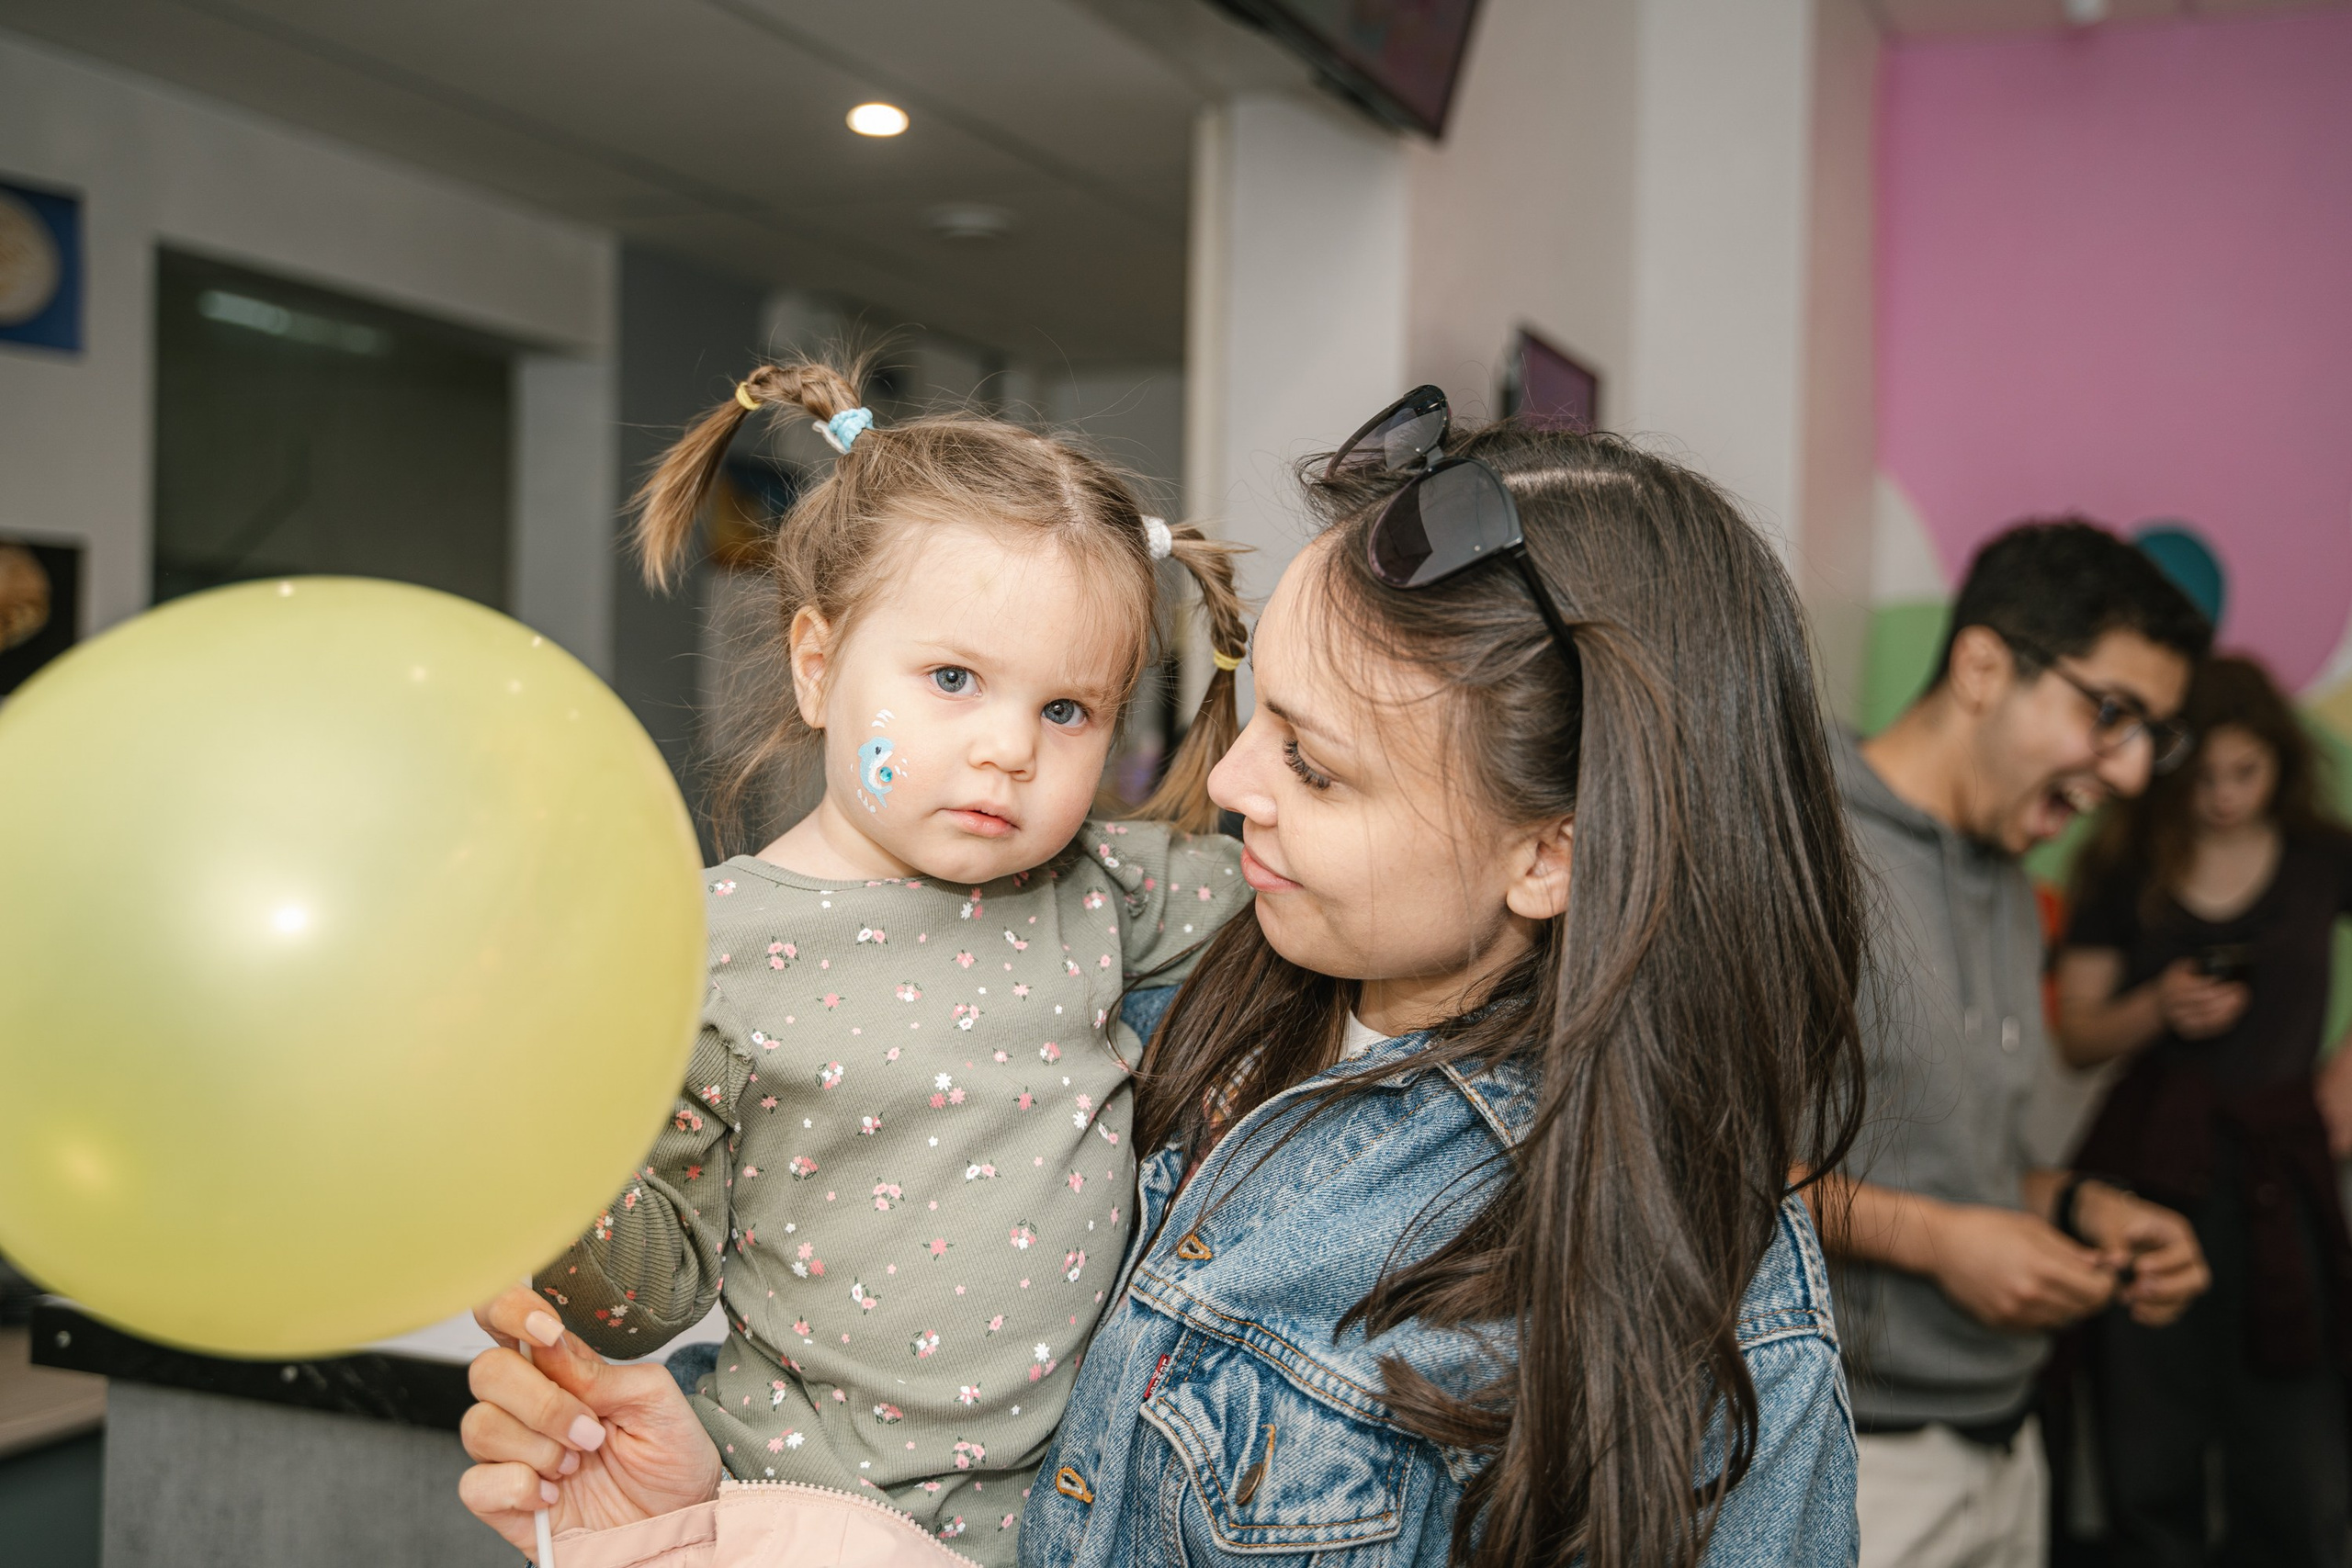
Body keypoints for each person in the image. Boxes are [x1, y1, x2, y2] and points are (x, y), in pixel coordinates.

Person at [459, 396, 1873, 1567]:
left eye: (1316, 764)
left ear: (1552, 853)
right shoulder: (1144, 1000)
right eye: (1259, 721)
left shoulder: (1707, 1300)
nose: (1232, 786)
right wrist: (711, 1496)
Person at [496, 355, 1259, 1564]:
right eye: (953, 678)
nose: (1009, 745)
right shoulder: (700, 945)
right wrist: (533, 1147)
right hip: (783, 1523)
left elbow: (1305, 884)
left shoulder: (1099, 884)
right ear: (817, 664)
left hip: (1058, 1535)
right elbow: (637, 1301)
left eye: (1069, 709)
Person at [1818, 520, 2216, 1568]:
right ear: (1983, 666)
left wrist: (2083, 1207)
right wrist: (1941, 1244)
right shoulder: (1802, 843)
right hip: (1846, 1457)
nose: (2132, 772)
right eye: (2111, 714)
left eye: (2152, 735)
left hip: (2002, 1445)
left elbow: (1955, 1158)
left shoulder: (2005, 872)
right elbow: (1691, 1163)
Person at [2054, 654, 2352, 1567]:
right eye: (2204, 775)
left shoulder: (2318, 858)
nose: (2223, 796)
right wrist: (2157, 1008)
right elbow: (2076, 1030)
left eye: (2245, 773)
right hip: (2153, 1170)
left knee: (2296, 1446)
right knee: (2150, 1447)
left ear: (2279, 765)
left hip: (2283, 1171)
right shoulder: (2123, 862)